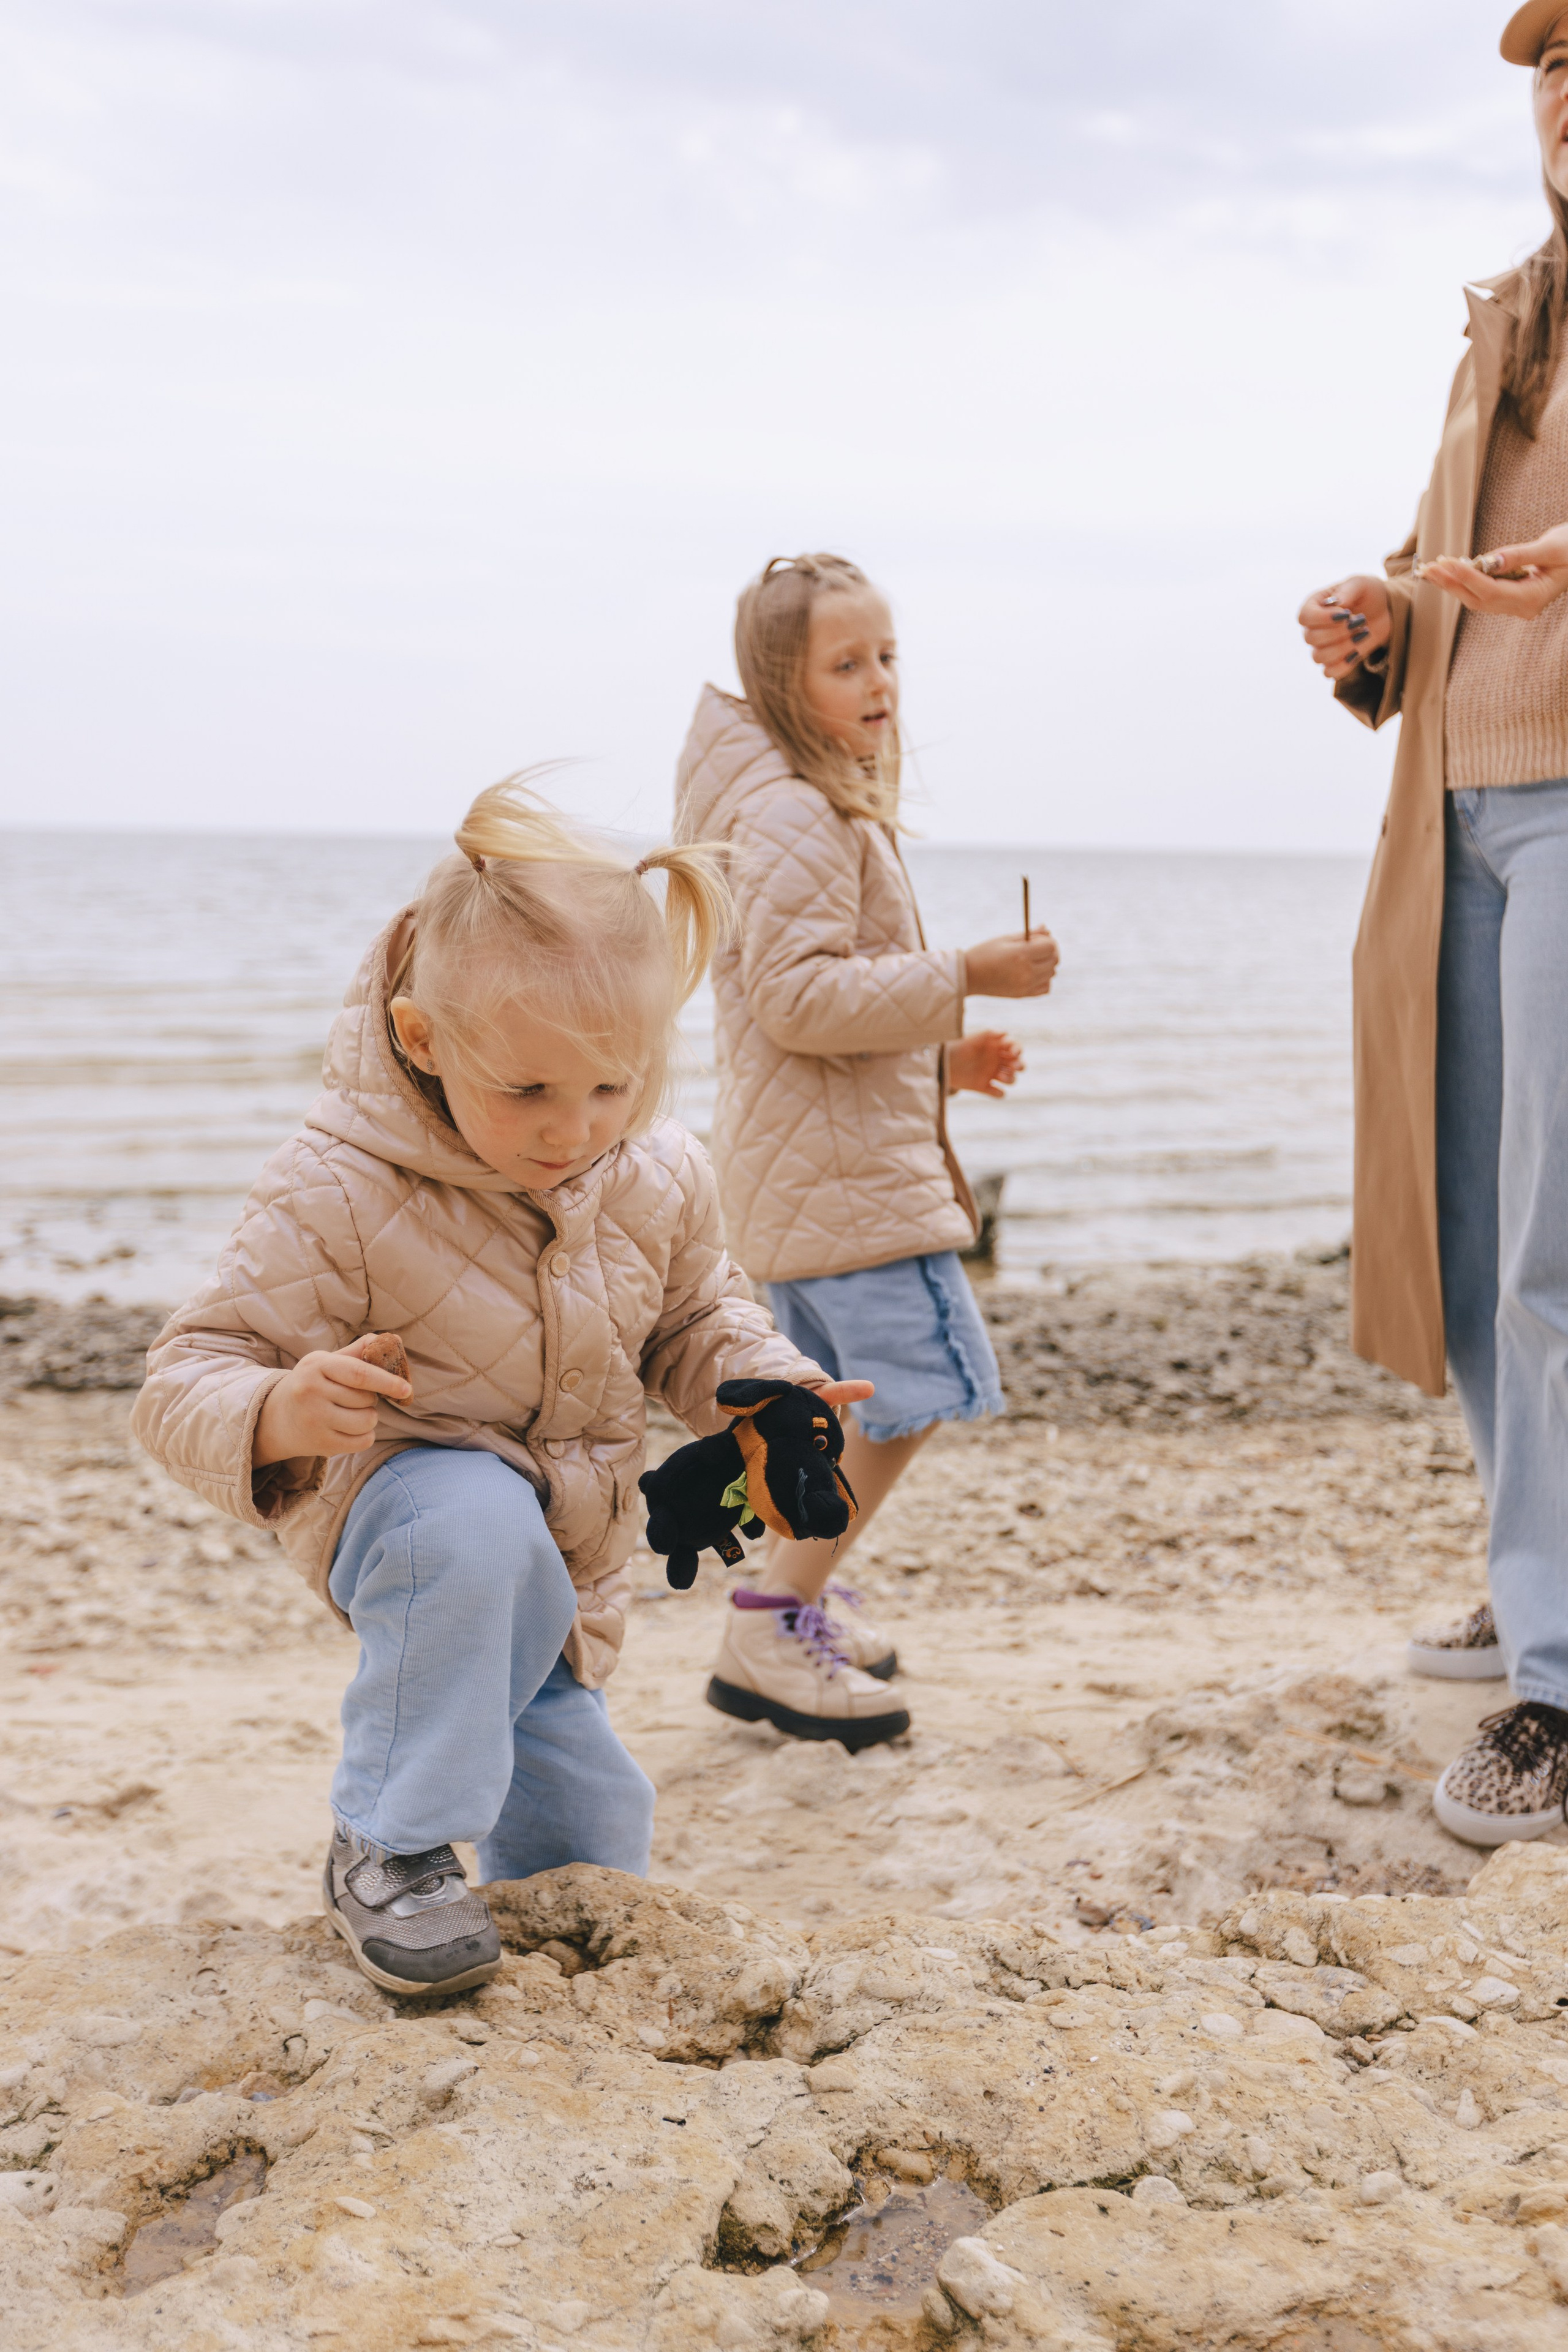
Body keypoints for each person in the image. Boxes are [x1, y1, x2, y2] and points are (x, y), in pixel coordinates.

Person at [130, 781, 873, 1995]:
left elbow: (695, 1315)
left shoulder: (656, 1170)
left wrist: (763, 1392)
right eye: (526, 1091)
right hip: (410, 1513)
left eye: (609, 1086)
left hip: (564, 1557)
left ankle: (503, 1910)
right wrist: (279, 1411)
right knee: (470, 1517)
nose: (571, 1128)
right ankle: (387, 1841)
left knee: (591, 1827)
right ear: (423, 1041)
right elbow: (184, 1379)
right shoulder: (336, 1185)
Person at [1298, 1, 1568, 1845]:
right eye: (1556, 71)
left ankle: (1561, 1687)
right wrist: (1379, 628)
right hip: (1452, 815)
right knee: (1475, 1244)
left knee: (1558, 1250)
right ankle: (1540, 1563)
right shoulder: (1511, 317)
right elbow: (1440, 563)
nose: (1565, 94)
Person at [675, 554, 1060, 1744]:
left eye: (886, 656)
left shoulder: (804, 801)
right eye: (844, 664)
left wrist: (942, 1061)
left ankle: (778, 1602)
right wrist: (965, 975)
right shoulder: (795, 809)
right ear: (781, 688)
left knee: (833, 1410)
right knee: (909, 1395)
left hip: (806, 1174)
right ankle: (771, 1620)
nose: (878, 681)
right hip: (844, 1192)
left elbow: (790, 1024)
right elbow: (797, 999)